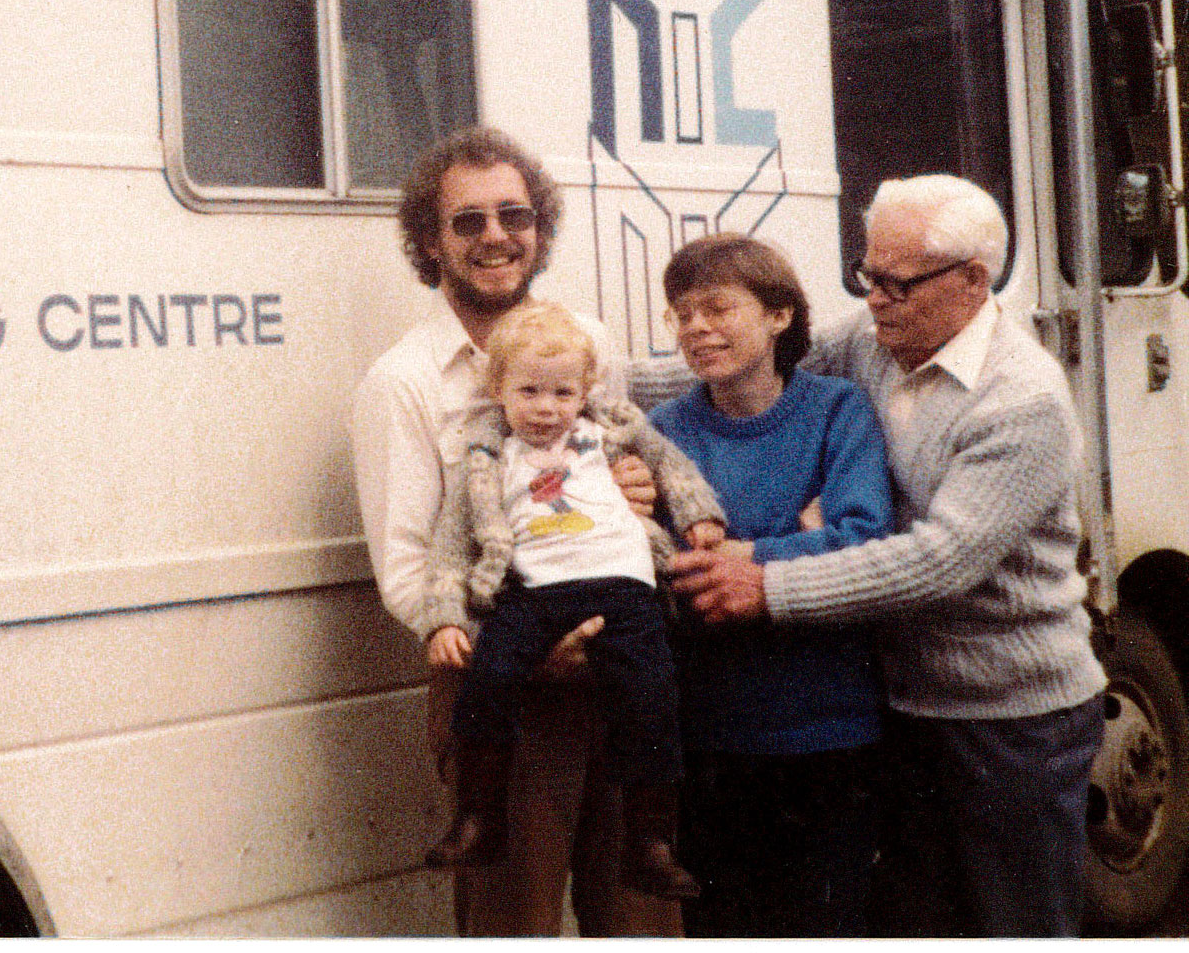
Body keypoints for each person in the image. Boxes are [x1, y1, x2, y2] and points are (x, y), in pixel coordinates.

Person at [669, 176, 1107, 937]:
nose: (875, 300)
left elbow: (940, 561)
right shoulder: (877, 340)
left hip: (1012, 719)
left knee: (1016, 923)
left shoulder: (1022, 397)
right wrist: (570, 386)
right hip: (904, 706)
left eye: (897, 282)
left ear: (974, 280)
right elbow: (746, 358)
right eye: (867, 277)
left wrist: (767, 582)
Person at [350, 124, 681, 937]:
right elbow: (405, 569)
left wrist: (639, 497)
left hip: (619, 670)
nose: (496, 236)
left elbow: (614, 465)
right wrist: (528, 648)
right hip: (509, 695)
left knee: (645, 921)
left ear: (540, 227)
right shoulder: (406, 381)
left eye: (515, 214)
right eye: (468, 221)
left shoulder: (588, 342)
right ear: (430, 241)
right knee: (514, 926)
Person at [421, 302, 722, 898]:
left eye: (562, 392)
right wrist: (443, 620)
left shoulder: (609, 430)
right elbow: (450, 546)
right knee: (488, 682)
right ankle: (480, 818)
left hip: (623, 584)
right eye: (528, 390)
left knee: (651, 695)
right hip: (534, 591)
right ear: (498, 388)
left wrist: (697, 514)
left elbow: (672, 465)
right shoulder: (487, 456)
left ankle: (651, 843)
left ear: (584, 390)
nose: (545, 407)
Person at [645, 233, 893, 936]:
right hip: (712, 743)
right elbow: (671, 577)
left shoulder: (836, 411)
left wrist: (744, 549)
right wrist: (801, 533)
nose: (697, 328)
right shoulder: (664, 433)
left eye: (718, 308)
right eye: (681, 315)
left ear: (779, 315)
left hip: (830, 736)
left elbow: (863, 542)